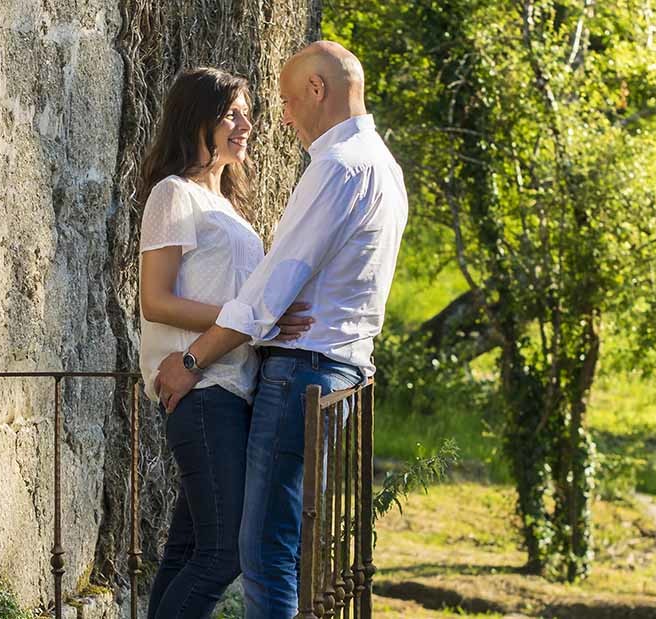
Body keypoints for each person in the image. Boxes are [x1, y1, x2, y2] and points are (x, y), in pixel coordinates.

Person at [153, 42, 409, 618]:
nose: (283, 118)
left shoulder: (339, 166)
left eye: (289, 102)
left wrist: (192, 360)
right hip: (339, 370)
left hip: (303, 372)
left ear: (318, 89)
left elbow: (268, 294)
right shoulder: (384, 165)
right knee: (233, 545)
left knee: (265, 551)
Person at [137, 67, 313, 619]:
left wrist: (262, 319)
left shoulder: (229, 207)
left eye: (248, 114)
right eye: (233, 114)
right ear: (199, 118)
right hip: (203, 390)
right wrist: (248, 321)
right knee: (223, 553)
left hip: (233, 389)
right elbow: (155, 300)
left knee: (188, 549)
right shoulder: (173, 194)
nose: (247, 125)